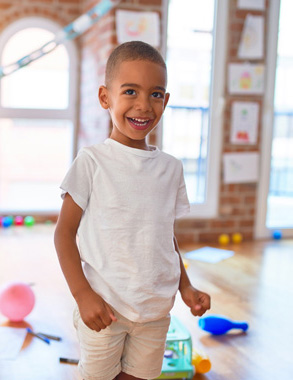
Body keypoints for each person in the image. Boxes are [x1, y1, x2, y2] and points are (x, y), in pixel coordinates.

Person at [54, 41, 211, 380]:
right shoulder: (92, 162)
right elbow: (63, 233)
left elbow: (163, 236)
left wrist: (186, 287)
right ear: (105, 98)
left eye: (156, 94)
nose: (143, 105)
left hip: (155, 311)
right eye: (130, 91)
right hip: (104, 308)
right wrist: (83, 294)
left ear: (166, 101)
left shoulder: (171, 169)